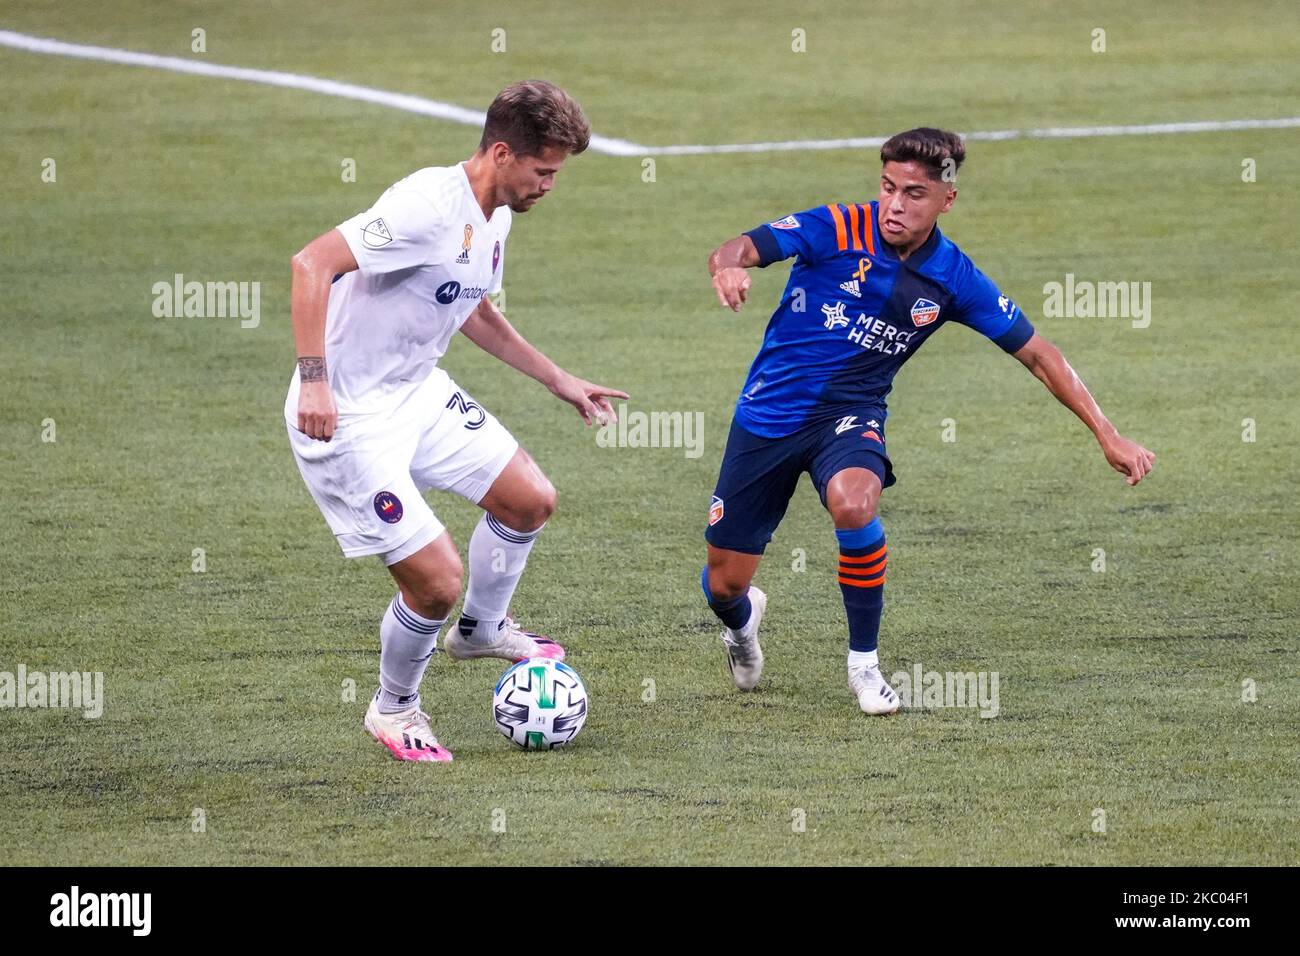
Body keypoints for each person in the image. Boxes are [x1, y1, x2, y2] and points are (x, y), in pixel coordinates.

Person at [702, 127, 1155, 714]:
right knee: (725, 585)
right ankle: (741, 625)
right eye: (888, 187)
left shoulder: (954, 279)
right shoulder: (834, 226)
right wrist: (730, 267)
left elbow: (1039, 354)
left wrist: (1106, 432)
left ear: (947, 199)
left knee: (855, 503)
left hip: (850, 416)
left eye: (913, 193)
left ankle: (864, 666)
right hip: (767, 417)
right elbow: (736, 247)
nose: (894, 204)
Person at [286, 81, 627, 761]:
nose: (550, 186)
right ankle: (393, 708)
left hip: (417, 392)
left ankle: (481, 629)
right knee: (435, 582)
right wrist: (316, 383)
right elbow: (311, 263)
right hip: (348, 414)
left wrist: (558, 378)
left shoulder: (495, 211)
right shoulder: (424, 208)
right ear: (502, 152)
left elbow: (471, 307)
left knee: (530, 499)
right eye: (544, 170)